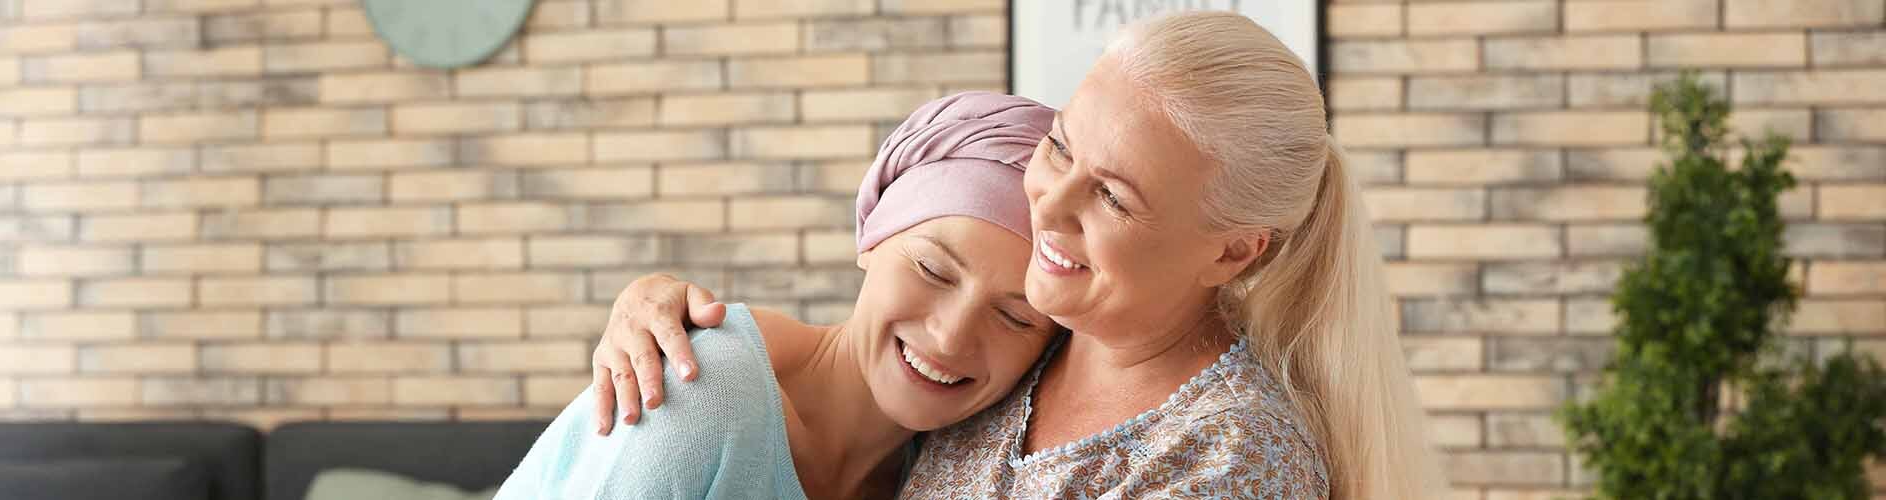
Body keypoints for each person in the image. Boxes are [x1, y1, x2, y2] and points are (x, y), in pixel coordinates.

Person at [588, 11, 1448, 499]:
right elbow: (838, 357)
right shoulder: (1034, 341)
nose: (1051, 206)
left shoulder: (1232, 456)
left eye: (1115, 196)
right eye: (1064, 149)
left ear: (1234, 252)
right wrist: (665, 309)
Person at [493, 92, 1063, 500]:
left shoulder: (946, 466)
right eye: (933, 270)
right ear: (871, 237)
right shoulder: (701, 399)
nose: (951, 335)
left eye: (1015, 317)